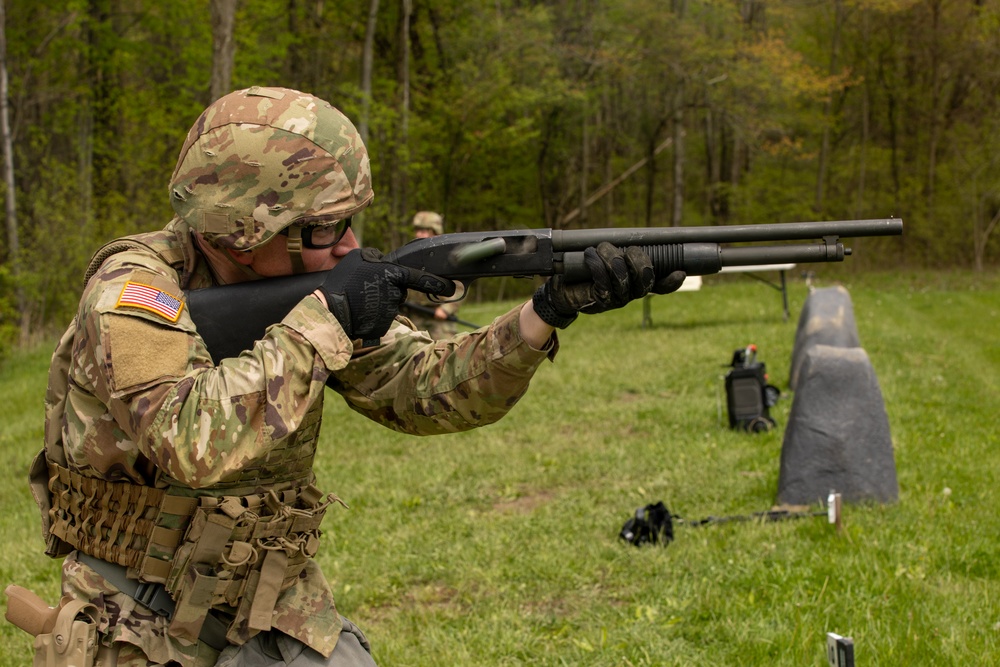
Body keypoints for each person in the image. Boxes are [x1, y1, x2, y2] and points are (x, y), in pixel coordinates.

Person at [24, 86, 684, 667]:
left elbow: (421, 388)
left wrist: (545, 312)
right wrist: (325, 319)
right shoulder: (132, 293)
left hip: (270, 603)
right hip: (135, 611)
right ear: (248, 230)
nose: (346, 247)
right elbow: (191, 439)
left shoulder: (299, 291)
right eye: (325, 228)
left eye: (349, 224)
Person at [403, 211, 463, 339]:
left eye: (424, 231)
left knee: (443, 352)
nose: (419, 234)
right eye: (418, 230)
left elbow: (460, 287)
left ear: (436, 232)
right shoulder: (409, 255)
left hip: (438, 317)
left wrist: (446, 309)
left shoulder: (448, 257)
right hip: (415, 315)